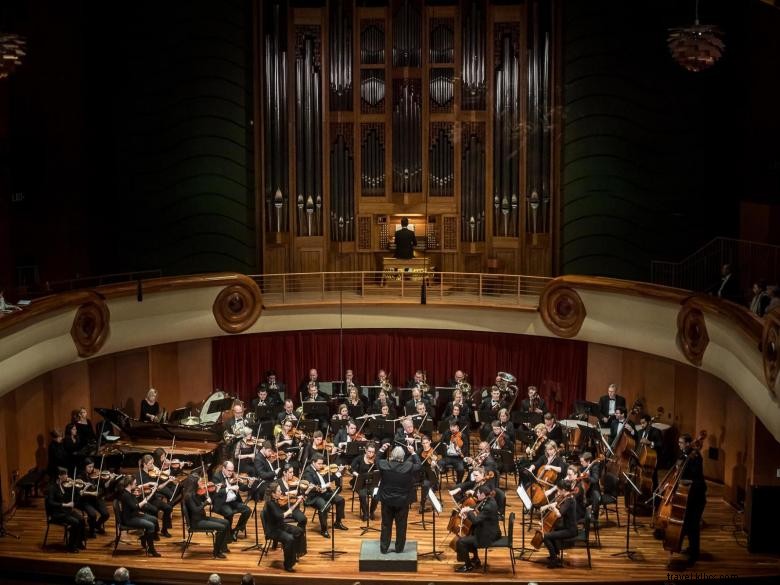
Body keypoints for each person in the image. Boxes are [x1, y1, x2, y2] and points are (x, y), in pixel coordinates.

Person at [376, 444, 421, 553]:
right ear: (402, 457)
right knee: (401, 526)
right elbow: (419, 465)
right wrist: (413, 453)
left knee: (386, 525)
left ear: (391, 455)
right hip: (402, 501)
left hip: (387, 501)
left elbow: (376, 459)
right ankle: (399, 548)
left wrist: (382, 449)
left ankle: (384, 548)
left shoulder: (384, 464)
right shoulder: (408, 466)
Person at [182, 473, 230, 558]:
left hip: (202, 518)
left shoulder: (197, 493)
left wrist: (216, 491)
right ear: (194, 483)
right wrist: (205, 503)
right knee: (222, 528)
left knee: (226, 522)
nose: (203, 484)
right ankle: (217, 552)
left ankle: (222, 547)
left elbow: (210, 500)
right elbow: (196, 510)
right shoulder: (189, 496)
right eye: (200, 482)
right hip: (196, 522)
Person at [454, 484, 500, 572]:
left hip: (488, 536)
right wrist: (468, 508)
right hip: (488, 529)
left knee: (461, 542)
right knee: (470, 533)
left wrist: (468, 512)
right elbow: (477, 507)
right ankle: (475, 559)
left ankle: (468, 566)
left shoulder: (488, 506)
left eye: (478, 493)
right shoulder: (488, 499)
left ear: (483, 495)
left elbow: (475, 520)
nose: (476, 495)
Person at [677, 433, 707, 565]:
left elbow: (695, 476)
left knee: (693, 526)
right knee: (688, 523)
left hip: (697, 494)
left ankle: (694, 554)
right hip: (688, 494)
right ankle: (691, 548)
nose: (679, 445)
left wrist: (683, 478)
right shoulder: (684, 454)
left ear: (689, 443)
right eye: (679, 442)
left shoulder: (696, 456)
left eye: (681, 443)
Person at [302, 454, 347, 537]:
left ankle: (338, 522)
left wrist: (338, 473)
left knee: (340, 500)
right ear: (313, 462)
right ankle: (324, 529)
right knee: (324, 506)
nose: (321, 466)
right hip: (314, 496)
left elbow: (326, 480)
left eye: (322, 463)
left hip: (324, 493)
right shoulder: (308, 472)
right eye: (319, 464)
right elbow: (311, 487)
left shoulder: (319, 470)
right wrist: (325, 486)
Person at [46, 467, 87, 553]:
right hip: (57, 514)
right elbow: (50, 502)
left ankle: (78, 542)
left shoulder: (65, 485)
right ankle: (71, 546)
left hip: (66, 511)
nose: (67, 476)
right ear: (59, 476)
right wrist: (65, 504)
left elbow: (73, 496)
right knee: (75, 522)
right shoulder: (52, 488)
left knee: (82, 520)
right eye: (65, 474)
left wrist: (77, 490)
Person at [118, 475, 160, 556]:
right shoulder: (126, 495)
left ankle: (144, 538)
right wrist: (143, 502)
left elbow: (136, 505)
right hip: (129, 519)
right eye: (135, 483)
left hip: (135, 515)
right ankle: (151, 549)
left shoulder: (130, 492)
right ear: (130, 484)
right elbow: (135, 507)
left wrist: (152, 492)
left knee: (154, 519)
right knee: (151, 525)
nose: (136, 485)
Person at [211, 461, 251, 542]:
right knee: (229, 513)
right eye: (229, 470)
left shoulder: (233, 475)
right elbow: (217, 492)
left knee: (247, 510)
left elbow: (242, 488)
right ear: (223, 469)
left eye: (232, 470)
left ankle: (235, 530)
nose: (231, 473)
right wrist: (229, 487)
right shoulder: (216, 476)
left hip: (233, 501)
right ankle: (227, 533)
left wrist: (249, 485)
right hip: (222, 502)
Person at [540, 484, 578, 568]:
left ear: (564, 490)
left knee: (545, 536)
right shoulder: (567, 498)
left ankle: (554, 559)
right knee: (551, 531)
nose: (558, 492)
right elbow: (558, 505)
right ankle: (555, 554)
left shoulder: (569, 500)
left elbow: (559, 514)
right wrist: (548, 506)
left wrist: (553, 508)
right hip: (566, 527)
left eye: (559, 490)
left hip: (570, 530)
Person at [76, 458, 109, 537]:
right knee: (93, 515)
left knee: (106, 514)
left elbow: (102, 487)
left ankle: (96, 525)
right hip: (85, 500)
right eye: (89, 467)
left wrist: (107, 482)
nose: (92, 469)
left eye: (92, 467)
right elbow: (80, 493)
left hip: (94, 499)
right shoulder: (80, 477)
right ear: (85, 467)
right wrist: (91, 493)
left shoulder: (95, 475)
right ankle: (91, 531)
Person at [350, 441, 380, 521]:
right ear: (365, 450)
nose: (371, 454)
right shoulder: (359, 458)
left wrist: (375, 465)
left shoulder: (375, 460)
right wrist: (356, 474)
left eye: (373, 452)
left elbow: (379, 471)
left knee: (376, 496)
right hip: (361, 483)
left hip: (372, 483)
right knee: (363, 495)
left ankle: (371, 512)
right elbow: (351, 468)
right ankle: (365, 513)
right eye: (369, 451)